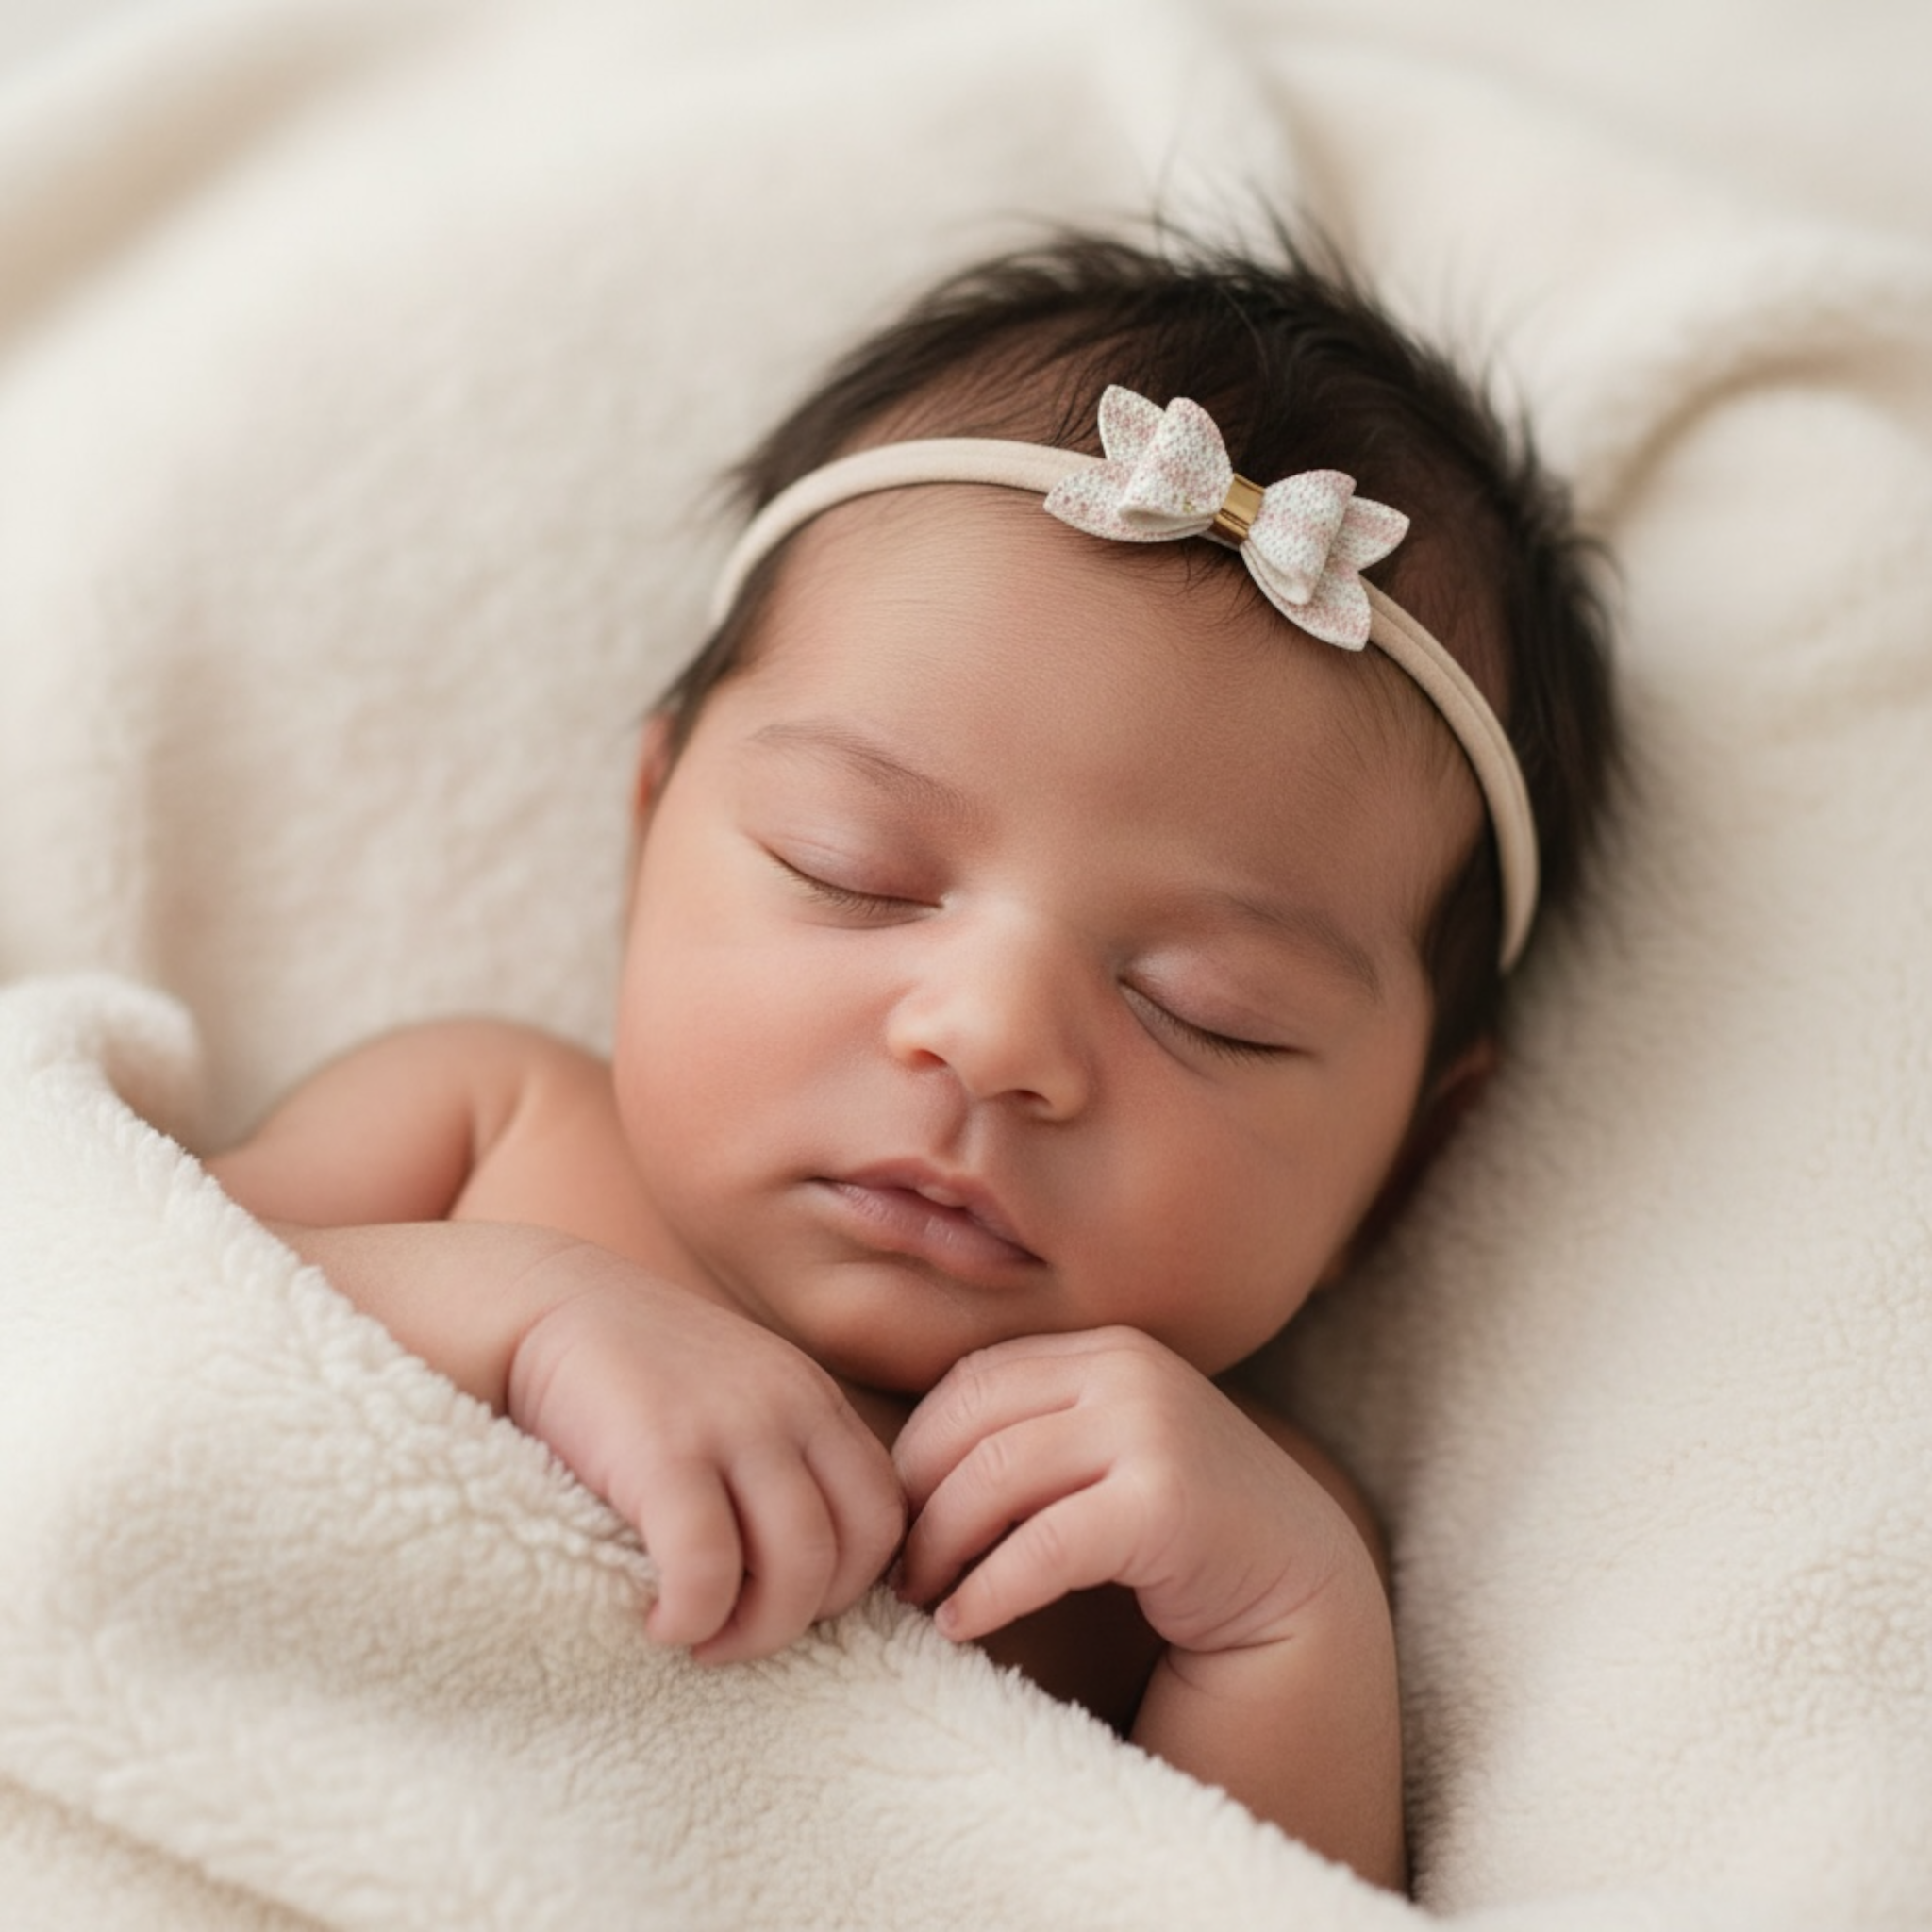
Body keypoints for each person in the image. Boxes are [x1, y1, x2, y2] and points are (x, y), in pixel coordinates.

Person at [207, 228, 1614, 1890]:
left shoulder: (1216, 1536)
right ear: (653, 827)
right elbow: (91, 1309)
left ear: (1411, 1164)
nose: (993, 1036)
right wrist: (515, 1312)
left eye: (1209, 1005)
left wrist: (1284, 1636)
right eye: (850, 867)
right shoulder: (475, 1127)